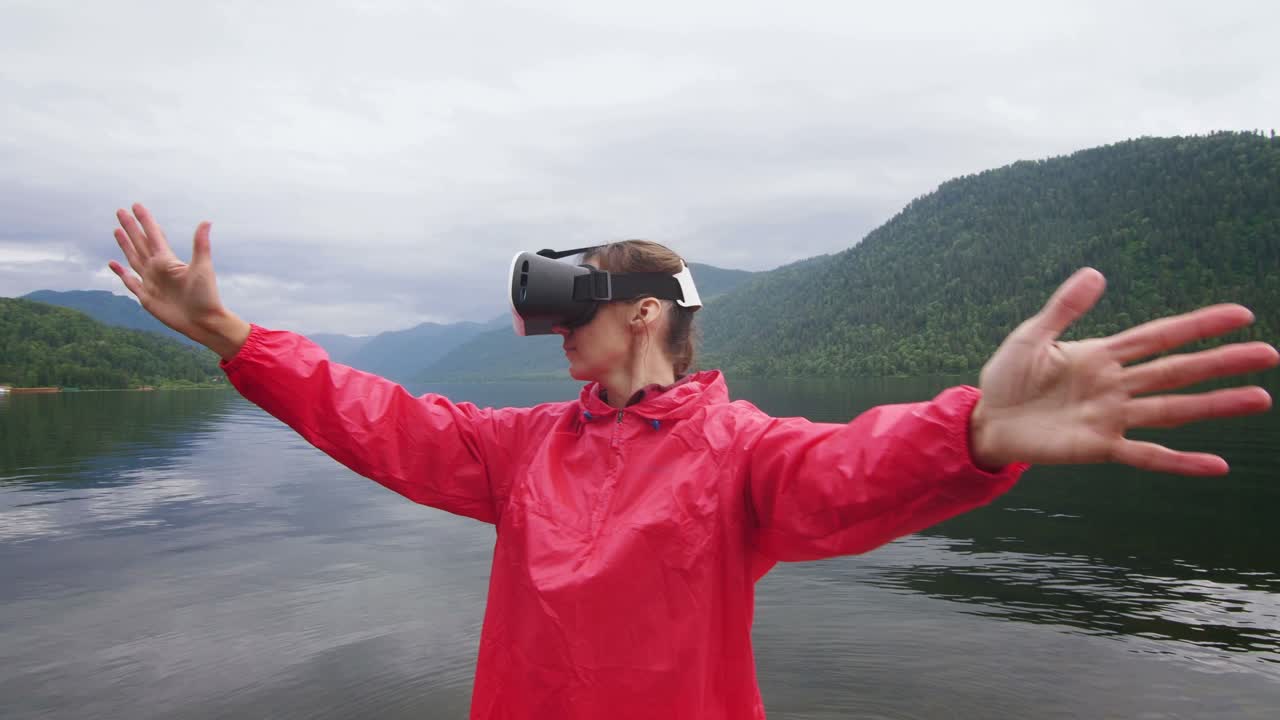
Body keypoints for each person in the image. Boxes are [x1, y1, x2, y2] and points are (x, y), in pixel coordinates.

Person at [109, 203, 1277, 719]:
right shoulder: (522, 450)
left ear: (648, 316)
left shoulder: (739, 455)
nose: (554, 329)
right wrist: (225, 333)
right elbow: (375, 415)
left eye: (575, 305)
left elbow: (845, 473)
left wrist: (968, 431)